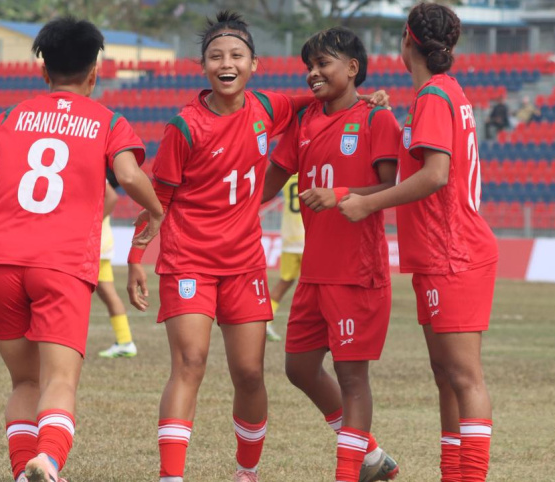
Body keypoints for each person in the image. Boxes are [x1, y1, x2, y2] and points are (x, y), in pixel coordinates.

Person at [124, 11, 389, 482]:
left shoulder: (271, 108)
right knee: (190, 363)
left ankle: (247, 474)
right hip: (188, 260)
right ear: (203, 65)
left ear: (253, 64)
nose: (226, 63)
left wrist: (365, 100)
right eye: (215, 56)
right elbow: (158, 199)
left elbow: (324, 99)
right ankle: (171, 477)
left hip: (244, 262)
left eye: (236, 55)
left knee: (249, 373)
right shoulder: (184, 127)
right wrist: (135, 257)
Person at [0, 17, 164, 482]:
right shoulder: (109, 121)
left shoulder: (7, 117)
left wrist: (7, 208)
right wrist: (158, 211)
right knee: (60, 380)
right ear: (94, 74)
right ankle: (47, 459)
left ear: (43, 72)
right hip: (61, 263)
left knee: (24, 381)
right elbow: (127, 176)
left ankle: (22, 473)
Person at [339, 4, 498, 481]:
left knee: (464, 377)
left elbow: (435, 175)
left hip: (454, 253)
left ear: (407, 43)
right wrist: (387, 113)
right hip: (438, 253)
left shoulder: (432, 95)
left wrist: (369, 204)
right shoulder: (438, 93)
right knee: (446, 376)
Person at [262, 27, 400, 482]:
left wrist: (340, 192)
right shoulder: (305, 121)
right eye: (309, 66)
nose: (313, 73)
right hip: (316, 271)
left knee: (352, 377)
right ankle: (373, 456)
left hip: (356, 272)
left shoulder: (377, 119)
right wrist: (226, 206)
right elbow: (269, 180)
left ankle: (349, 472)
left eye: (324, 63)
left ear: (353, 67)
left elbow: (390, 187)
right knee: (299, 367)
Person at [96, 174, 139, 358]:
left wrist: (92, 223)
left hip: (93, 244)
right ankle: (125, 341)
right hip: (98, 244)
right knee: (106, 292)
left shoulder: (93, 170)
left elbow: (111, 196)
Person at [266, 173, 304, 342]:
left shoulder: (287, 176)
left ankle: (266, 319)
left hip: (289, 237)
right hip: (308, 238)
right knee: (315, 286)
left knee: (284, 281)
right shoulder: (311, 173)